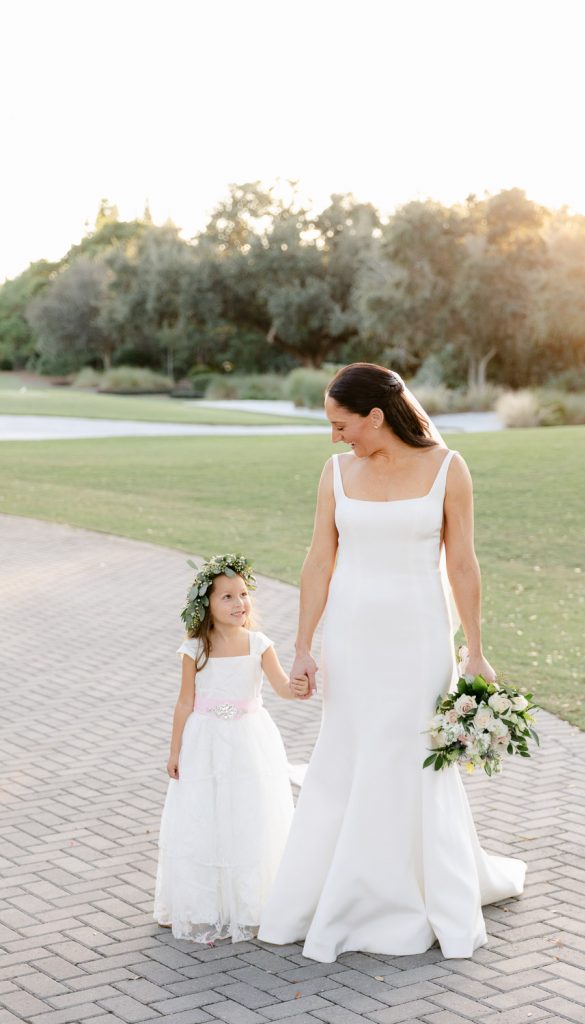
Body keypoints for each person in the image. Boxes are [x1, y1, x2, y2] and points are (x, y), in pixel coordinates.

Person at [258, 363, 526, 962]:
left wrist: (476, 651)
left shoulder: (449, 469)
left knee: (410, 754)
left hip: (420, 638)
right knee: (351, 751)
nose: (335, 436)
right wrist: (302, 646)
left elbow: (462, 565)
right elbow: (318, 563)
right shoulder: (334, 472)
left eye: (341, 423)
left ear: (375, 416)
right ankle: (345, 890)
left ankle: (417, 891)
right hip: (351, 637)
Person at [153, 553, 309, 944]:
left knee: (249, 812)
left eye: (243, 594)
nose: (239, 603)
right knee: (206, 815)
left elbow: (282, 688)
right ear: (205, 603)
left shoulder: (259, 644)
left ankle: (251, 901)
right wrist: (175, 752)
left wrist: (300, 687)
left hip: (249, 741)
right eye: (227, 597)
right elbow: (185, 703)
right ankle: (205, 903)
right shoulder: (194, 649)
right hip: (205, 742)